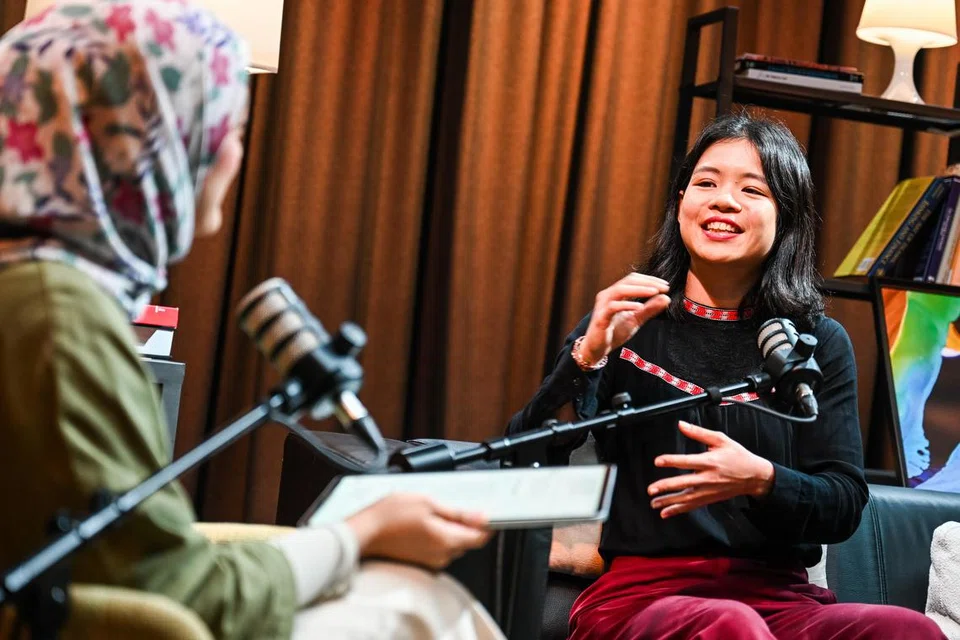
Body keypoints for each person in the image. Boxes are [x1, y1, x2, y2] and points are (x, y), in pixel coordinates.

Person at [0, 2, 503, 639]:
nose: (235, 155)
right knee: (422, 600)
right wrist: (362, 534)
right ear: (156, 147)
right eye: (227, 130)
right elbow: (184, 596)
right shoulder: (57, 317)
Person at [507, 112, 946, 639]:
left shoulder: (815, 343)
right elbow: (526, 460)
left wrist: (764, 480)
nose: (723, 201)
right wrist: (587, 357)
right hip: (643, 598)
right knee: (727, 624)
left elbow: (844, 502)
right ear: (680, 203)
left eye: (752, 189)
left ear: (787, 218)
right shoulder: (627, 324)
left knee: (905, 630)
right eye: (706, 183)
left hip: (780, 598)